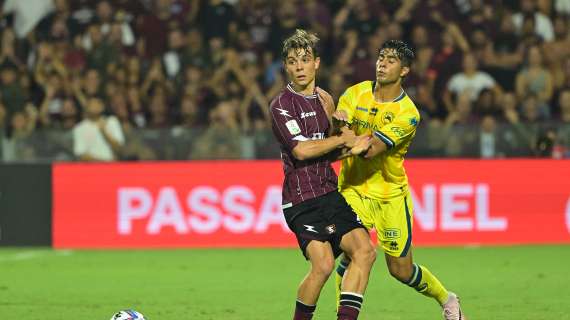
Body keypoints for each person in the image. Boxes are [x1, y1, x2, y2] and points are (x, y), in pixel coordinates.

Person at [325, 40, 468, 320]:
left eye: (391, 60)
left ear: (404, 70)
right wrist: (338, 125)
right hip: (352, 189)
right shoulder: (355, 93)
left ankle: (446, 298)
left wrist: (345, 133)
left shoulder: (408, 113)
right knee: (350, 253)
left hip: (390, 194)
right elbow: (336, 136)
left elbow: (369, 150)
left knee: (401, 270)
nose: (382, 63)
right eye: (381, 57)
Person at [269, 29, 376, 320]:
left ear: (316, 63)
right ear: (286, 67)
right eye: (293, 61)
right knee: (324, 265)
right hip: (301, 200)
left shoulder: (326, 100)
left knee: (365, 252)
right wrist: (343, 140)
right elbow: (301, 151)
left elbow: (327, 151)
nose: (299, 66)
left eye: (305, 60)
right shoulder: (281, 105)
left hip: (329, 191)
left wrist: (351, 147)